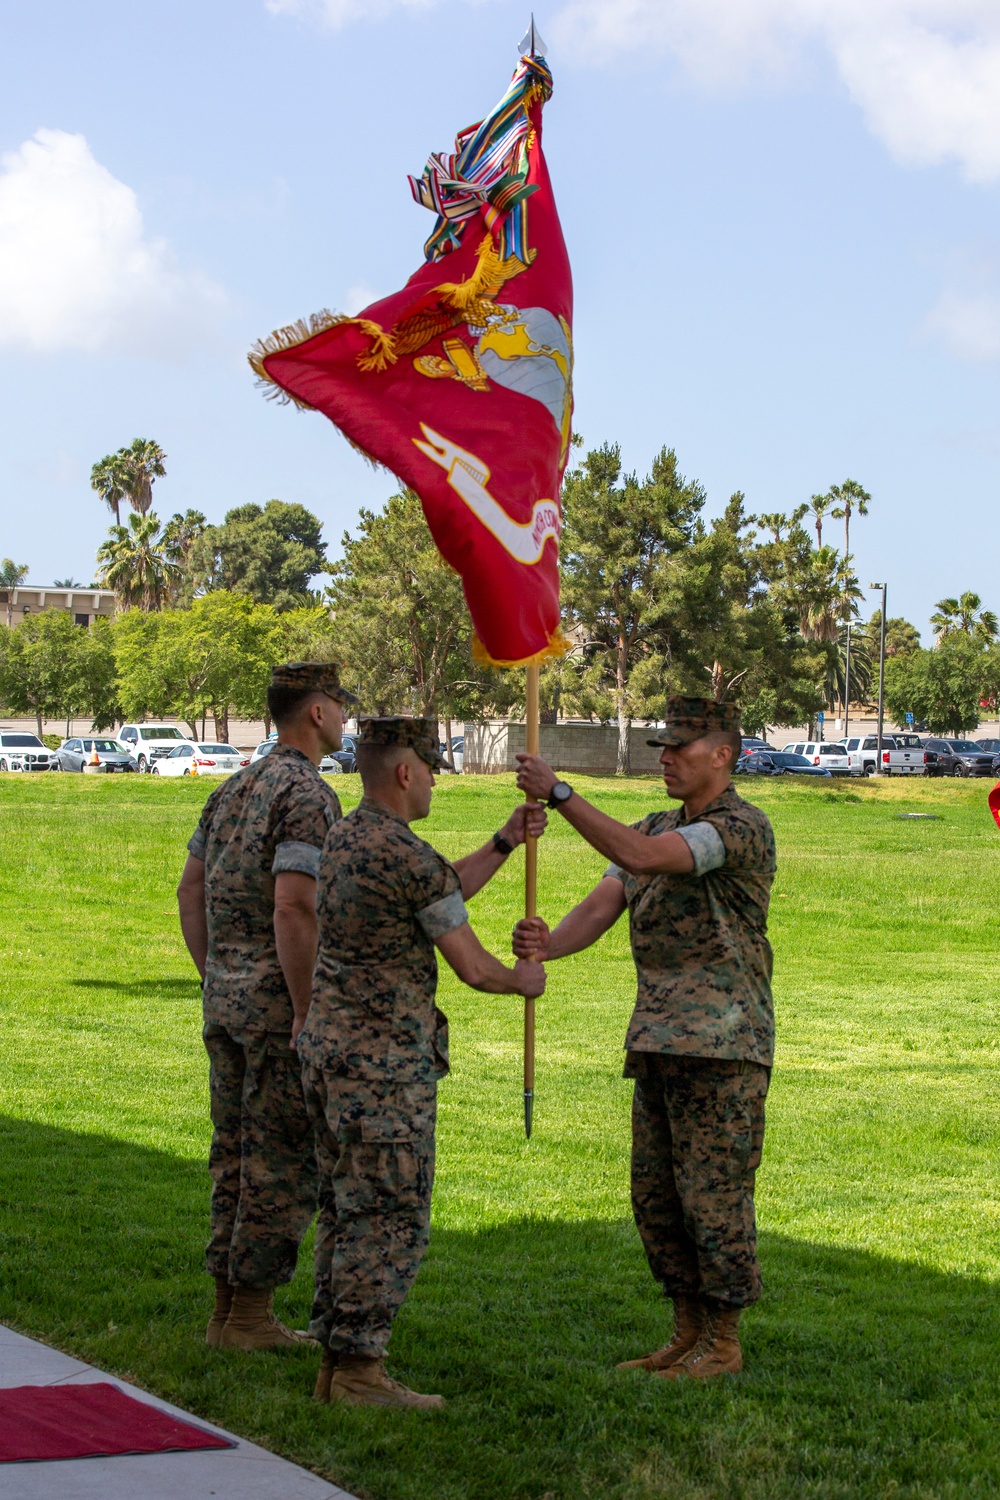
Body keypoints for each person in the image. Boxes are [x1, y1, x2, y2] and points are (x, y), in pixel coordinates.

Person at [513, 697, 775, 1381]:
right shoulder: (657, 821)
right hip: (658, 1039)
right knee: (656, 1197)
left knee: (714, 1197)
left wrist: (562, 793)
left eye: (680, 749)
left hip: (723, 1045)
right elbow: (603, 905)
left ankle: (722, 1340)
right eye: (662, 747)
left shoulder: (738, 828)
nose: (665, 759)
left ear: (721, 755)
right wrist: (549, 946)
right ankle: (686, 1331)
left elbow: (642, 857)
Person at [300, 716, 547, 1411]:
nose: (437, 778)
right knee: (386, 1215)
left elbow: (439, 891)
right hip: (381, 1070)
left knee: (345, 1209)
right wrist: (520, 979)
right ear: (406, 773)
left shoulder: (347, 838)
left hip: (330, 1057)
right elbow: (471, 966)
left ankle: (335, 1361)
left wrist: (503, 841)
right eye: (433, 767)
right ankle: (358, 1374)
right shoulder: (403, 854)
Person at [176, 661, 357, 1351]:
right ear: (316, 711)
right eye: (338, 706)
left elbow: (190, 892)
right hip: (278, 1007)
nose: (343, 719)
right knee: (279, 1160)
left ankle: (228, 1310)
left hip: (226, 1001)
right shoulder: (306, 793)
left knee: (234, 1153)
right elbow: (294, 902)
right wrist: (306, 1007)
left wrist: (216, 972)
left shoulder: (233, 787)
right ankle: (250, 1317)